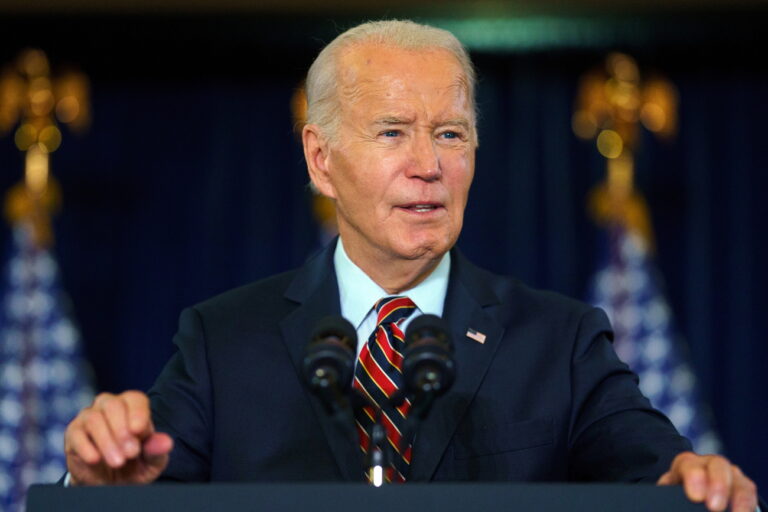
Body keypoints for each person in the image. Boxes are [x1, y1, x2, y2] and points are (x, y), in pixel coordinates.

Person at [63, 20, 759, 511]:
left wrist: (690, 481)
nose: (428, 167)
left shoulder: (561, 342)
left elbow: (657, 470)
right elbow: (139, 490)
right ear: (320, 159)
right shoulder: (222, 343)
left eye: (451, 134)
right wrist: (100, 486)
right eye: (392, 132)